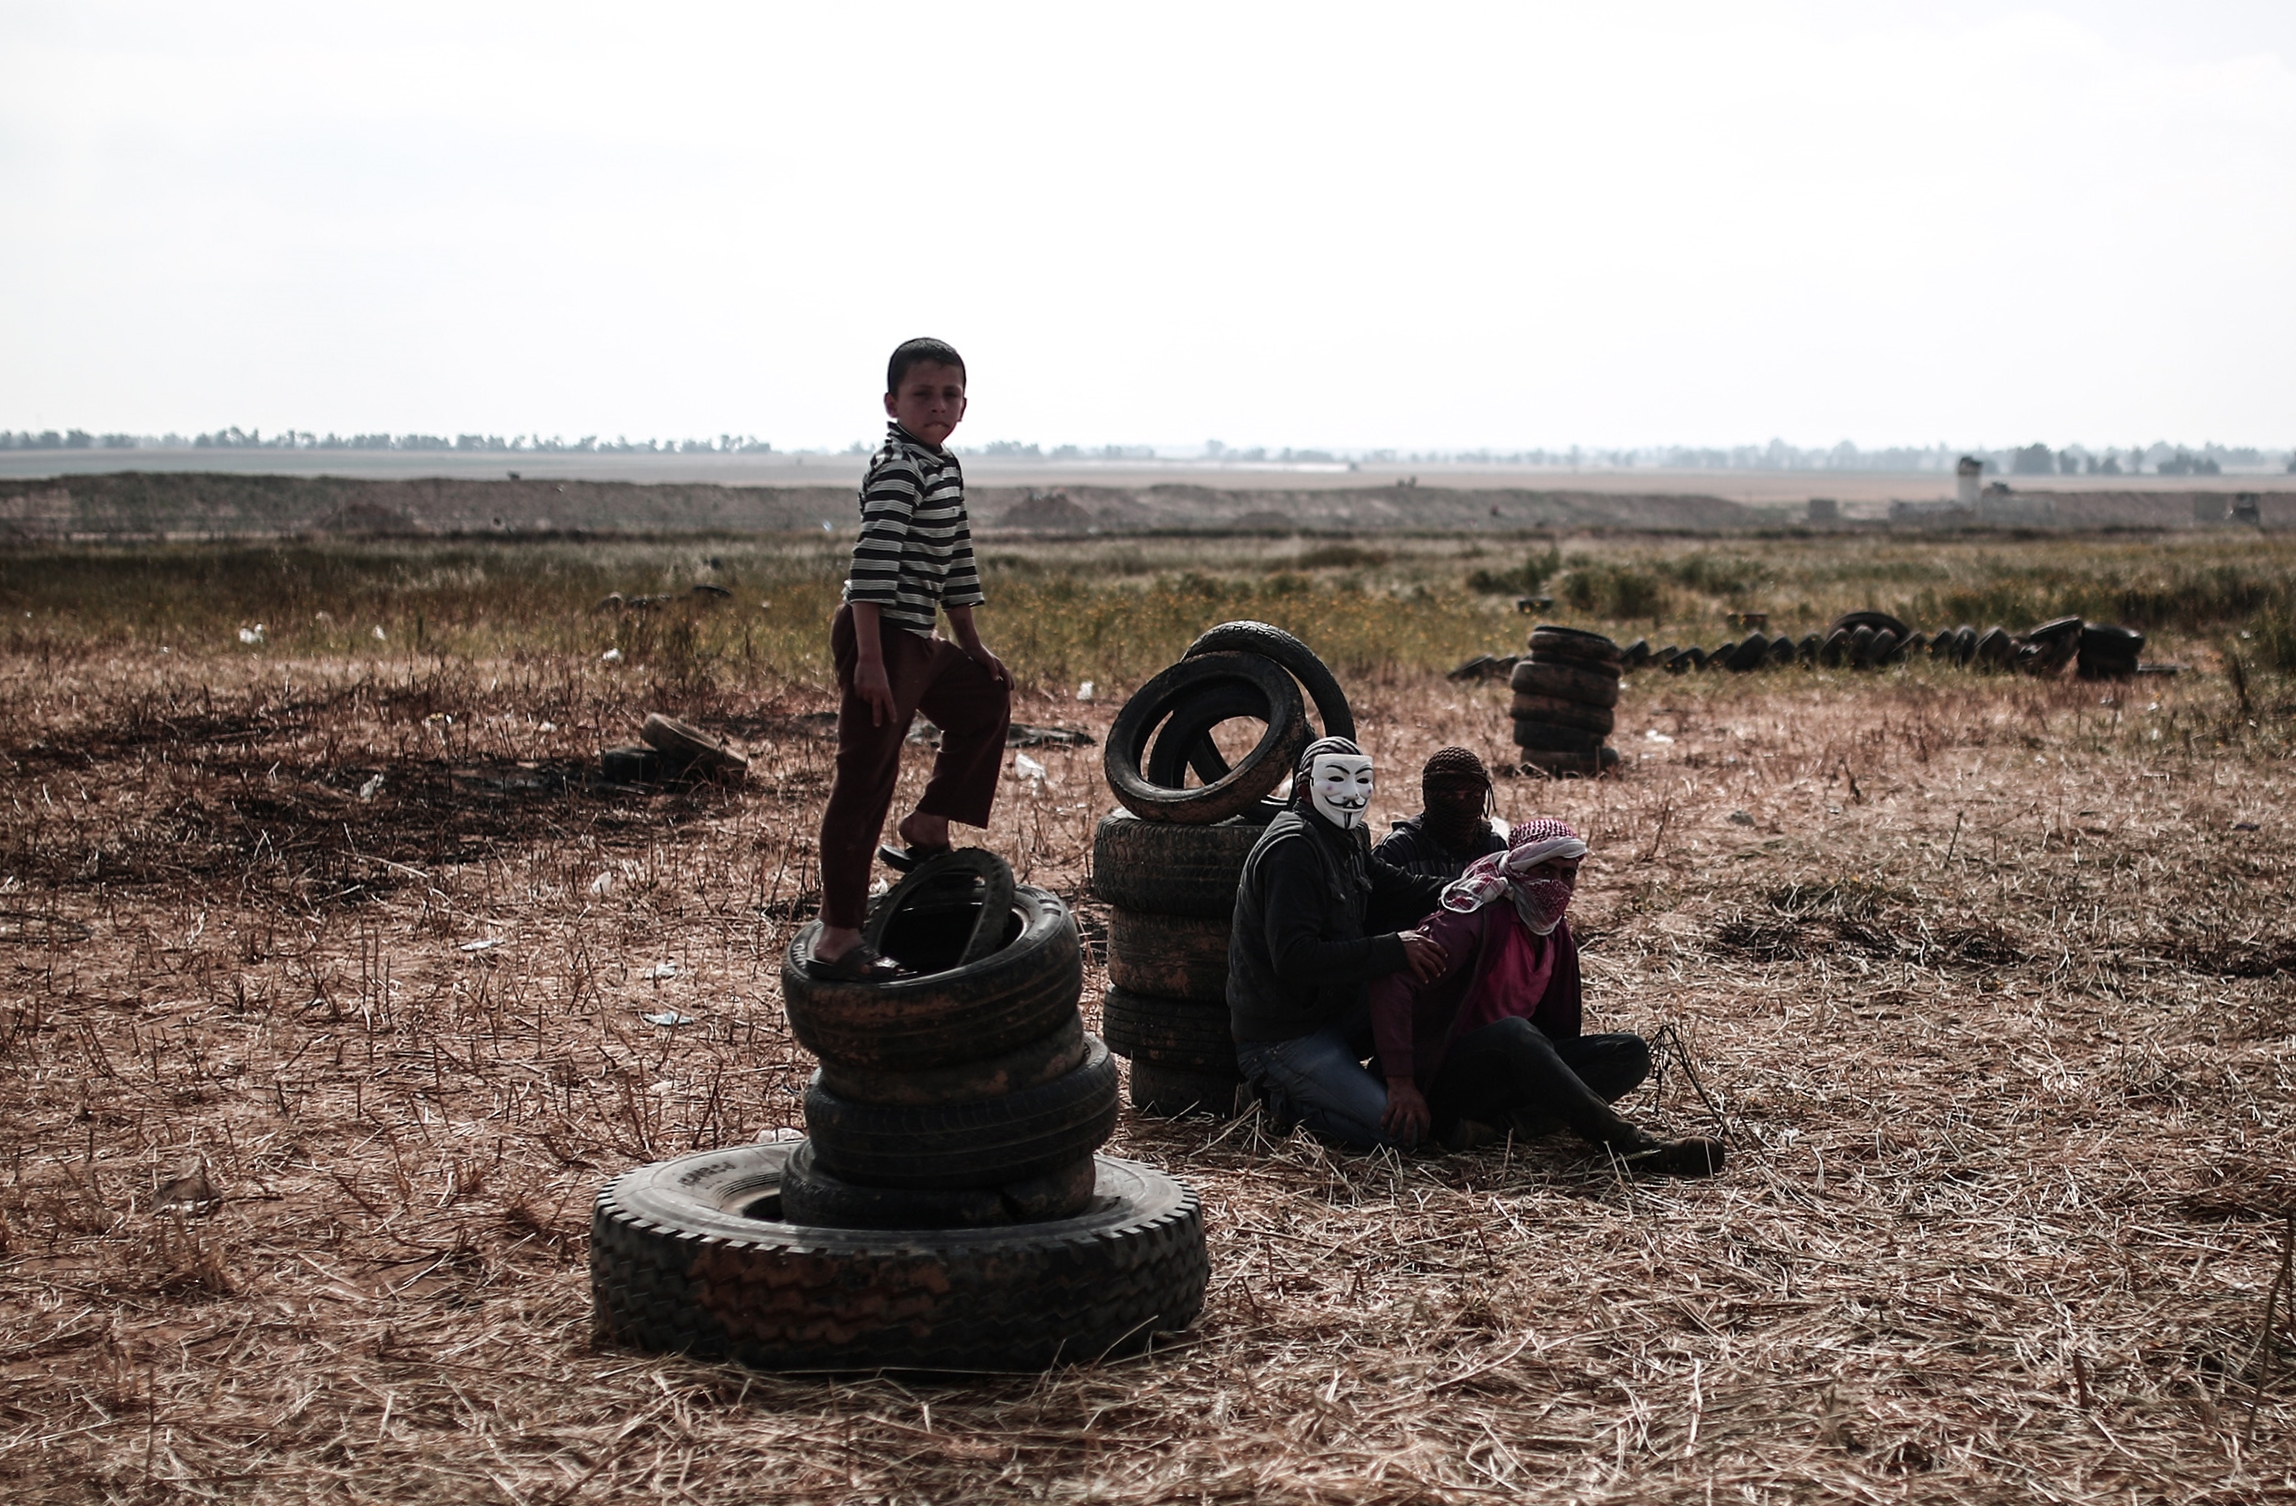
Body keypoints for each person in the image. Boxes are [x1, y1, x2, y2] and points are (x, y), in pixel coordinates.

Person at [807, 338, 1012, 980]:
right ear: (892, 404)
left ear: (965, 405)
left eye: (950, 394)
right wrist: (868, 661)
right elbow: (870, 567)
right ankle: (838, 936)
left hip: (917, 637)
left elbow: (956, 559)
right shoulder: (899, 466)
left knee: (985, 698)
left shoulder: (943, 465)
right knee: (866, 776)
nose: (938, 405)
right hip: (880, 637)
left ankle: (927, 826)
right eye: (922, 394)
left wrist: (970, 643)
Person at [1369, 818, 1724, 1176]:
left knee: (1629, 1052)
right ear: (1519, 869)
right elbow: (1393, 983)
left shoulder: (1554, 933)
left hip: (1510, 1074)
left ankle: (1502, 1130)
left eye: (1568, 874)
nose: (1557, 885)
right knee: (1514, 1033)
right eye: (1545, 871)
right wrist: (1401, 1083)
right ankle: (1637, 1148)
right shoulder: (1475, 918)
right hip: (1445, 1076)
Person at [1228, 736, 1450, 1148]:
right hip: (1282, 1037)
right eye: (1337, 779)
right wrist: (1393, 949)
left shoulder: (1347, 838)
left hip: (1331, 1013)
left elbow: (1397, 887)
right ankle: (1274, 1101)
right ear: (1304, 789)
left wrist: (1471, 886)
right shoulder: (1292, 849)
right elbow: (1294, 958)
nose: (1352, 794)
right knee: (1399, 1135)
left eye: (1362, 780)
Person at [1372, 746, 1508, 883]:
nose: (1461, 805)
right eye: (1449, 796)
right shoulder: (1399, 850)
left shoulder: (1494, 848)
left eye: (1472, 796)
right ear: (1429, 795)